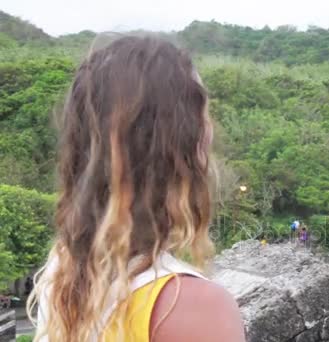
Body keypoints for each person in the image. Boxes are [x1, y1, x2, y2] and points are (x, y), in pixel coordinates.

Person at [27, 36, 245, 342]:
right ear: (180, 147)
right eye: (201, 114)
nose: (210, 131)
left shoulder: (64, 274)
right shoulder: (191, 308)